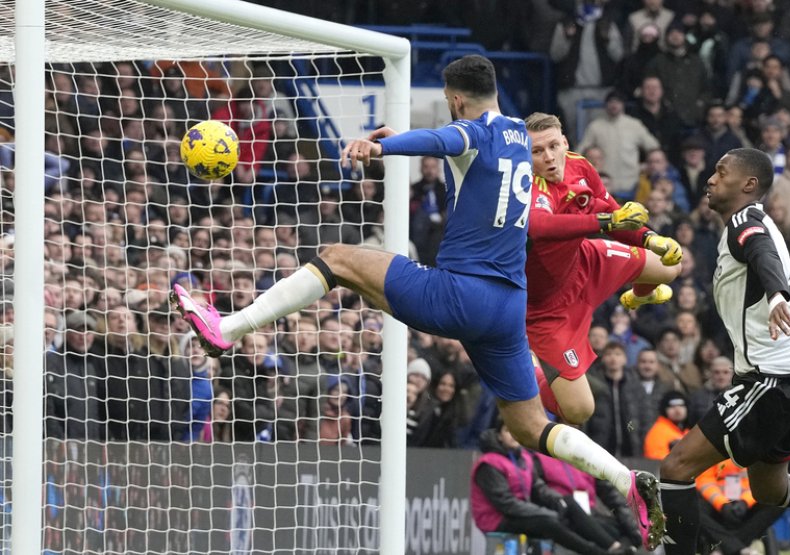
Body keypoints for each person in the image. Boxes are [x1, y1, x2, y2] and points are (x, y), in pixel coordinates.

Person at [169, 56, 663, 546]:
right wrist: (401, 136)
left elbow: (447, 140)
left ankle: (228, 328)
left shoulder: (472, 130)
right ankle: (627, 480)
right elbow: (454, 148)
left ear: (456, 100)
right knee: (533, 426)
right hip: (507, 309)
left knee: (337, 259)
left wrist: (381, 147)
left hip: (459, 293)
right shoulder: (518, 132)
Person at [659, 148, 790, 554]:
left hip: (772, 380)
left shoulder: (746, 221)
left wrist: (776, 296)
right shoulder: (763, 225)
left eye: (722, 172)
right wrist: (783, 303)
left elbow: (761, 253)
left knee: (676, 466)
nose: (710, 179)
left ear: (749, 184)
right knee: (770, 489)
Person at [524, 112, 681, 426]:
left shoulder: (580, 165)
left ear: (565, 142)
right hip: (547, 310)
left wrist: (650, 238)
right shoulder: (528, 185)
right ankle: (530, 369)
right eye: (537, 151)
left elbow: (613, 211)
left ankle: (638, 296)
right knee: (579, 410)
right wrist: (606, 221)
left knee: (670, 265)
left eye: (553, 146)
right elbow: (540, 226)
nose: (549, 157)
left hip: (586, 262)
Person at [471, 420, 630, 555]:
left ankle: (614, 547)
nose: (513, 435)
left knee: (568, 504)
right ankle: (598, 553)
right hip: (497, 519)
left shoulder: (523, 459)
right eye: (507, 430)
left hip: (522, 513)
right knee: (549, 522)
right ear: (499, 435)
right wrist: (544, 512)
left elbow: (539, 488)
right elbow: (506, 504)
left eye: (516, 431)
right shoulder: (489, 463)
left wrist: (559, 501)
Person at [695, 459, 784, 555]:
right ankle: (738, 548)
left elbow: (761, 481)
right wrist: (722, 504)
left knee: (778, 501)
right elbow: (705, 481)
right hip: (716, 504)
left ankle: (726, 549)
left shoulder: (756, 452)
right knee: (695, 507)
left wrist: (745, 502)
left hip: (747, 503)